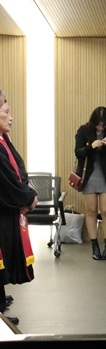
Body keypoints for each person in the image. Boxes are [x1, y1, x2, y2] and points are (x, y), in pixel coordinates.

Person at [0, 88, 37, 325]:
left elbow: (17, 170)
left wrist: (27, 192)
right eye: (6, 111)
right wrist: (28, 197)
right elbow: (6, 181)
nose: (11, 117)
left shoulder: (3, 140)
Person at [74, 107, 106, 260]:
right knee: (92, 211)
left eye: (104, 125)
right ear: (93, 122)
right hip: (89, 176)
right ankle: (94, 246)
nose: (101, 127)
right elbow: (78, 152)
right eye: (98, 124)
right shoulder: (83, 130)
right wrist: (91, 146)